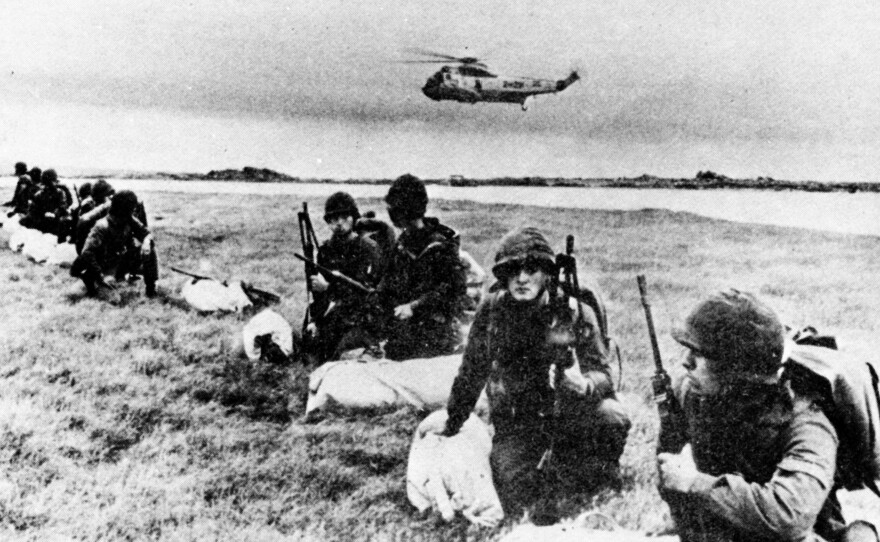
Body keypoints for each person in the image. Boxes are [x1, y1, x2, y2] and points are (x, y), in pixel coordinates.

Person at [435, 226, 631, 523]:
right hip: (518, 424)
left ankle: (592, 469)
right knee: (518, 490)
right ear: (502, 275)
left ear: (547, 274)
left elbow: (603, 374)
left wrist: (584, 384)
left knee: (611, 416)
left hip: (569, 416)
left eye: (531, 270)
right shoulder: (492, 311)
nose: (522, 278)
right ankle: (564, 470)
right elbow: (471, 371)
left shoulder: (574, 311)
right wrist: (452, 422)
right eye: (512, 271)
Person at [657, 289, 878, 542]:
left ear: (737, 368)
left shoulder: (807, 422)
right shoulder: (693, 395)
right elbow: (670, 468)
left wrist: (694, 484)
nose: (686, 362)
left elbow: (788, 517)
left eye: (700, 354)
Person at [377, 174, 467, 360]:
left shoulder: (440, 246)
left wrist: (414, 307)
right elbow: (389, 281)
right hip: (406, 326)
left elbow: (452, 289)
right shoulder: (403, 241)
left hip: (435, 329)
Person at [306, 191, 384, 362]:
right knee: (314, 350)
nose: (339, 223)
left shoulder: (368, 248)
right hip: (337, 315)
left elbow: (367, 292)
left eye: (344, 217)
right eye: (333, 219)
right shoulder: (326, 251)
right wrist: (315, 320)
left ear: (354, 217)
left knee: (342, 355)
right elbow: (319, 297)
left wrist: (329, 288)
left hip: (363, 317)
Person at [70, 190, 158, 301]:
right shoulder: (102, 226)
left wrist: (146, 241)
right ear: (125, 209)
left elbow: (146, 233)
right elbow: (87, 253)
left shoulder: (128, 219)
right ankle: (93, 283)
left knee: (150, 249)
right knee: (112, 299)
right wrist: (100, 275)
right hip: (104, 267)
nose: (134, 210)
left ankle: (151, 288)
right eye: (132, 208)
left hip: (120, 261)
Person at [19, 168, 70, 235]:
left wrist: (55, 213)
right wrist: (43, 214)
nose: (49, 185)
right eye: (48, 183)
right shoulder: (39, 194)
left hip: (56, 220)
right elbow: (33, 210)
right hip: (42, 221)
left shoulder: (60, 193)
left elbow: (63, 205)